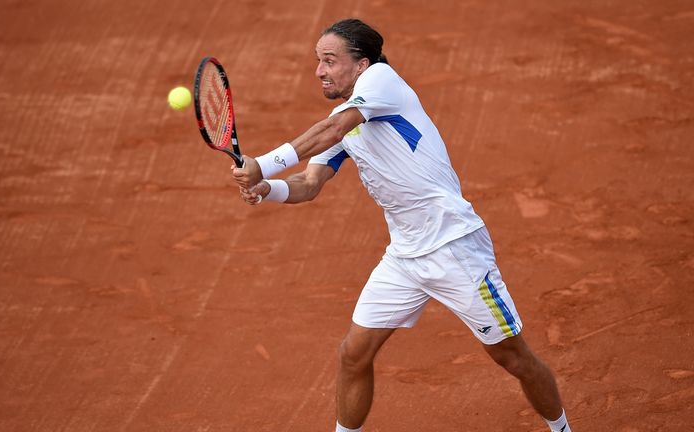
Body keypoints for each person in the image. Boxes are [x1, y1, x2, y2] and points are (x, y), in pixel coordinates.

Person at [231, 18, 573, 432]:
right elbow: (309, 184)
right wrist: (266, 188)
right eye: (318, 61)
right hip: (404, 257)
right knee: (353, 354)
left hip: (453, 246)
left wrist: (263, 164)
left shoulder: (381, 81)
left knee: (512, 357)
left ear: (362, 64)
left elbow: (331, 130)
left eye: (329, 60)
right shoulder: (346, 120)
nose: (319, 71)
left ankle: (561, 429)